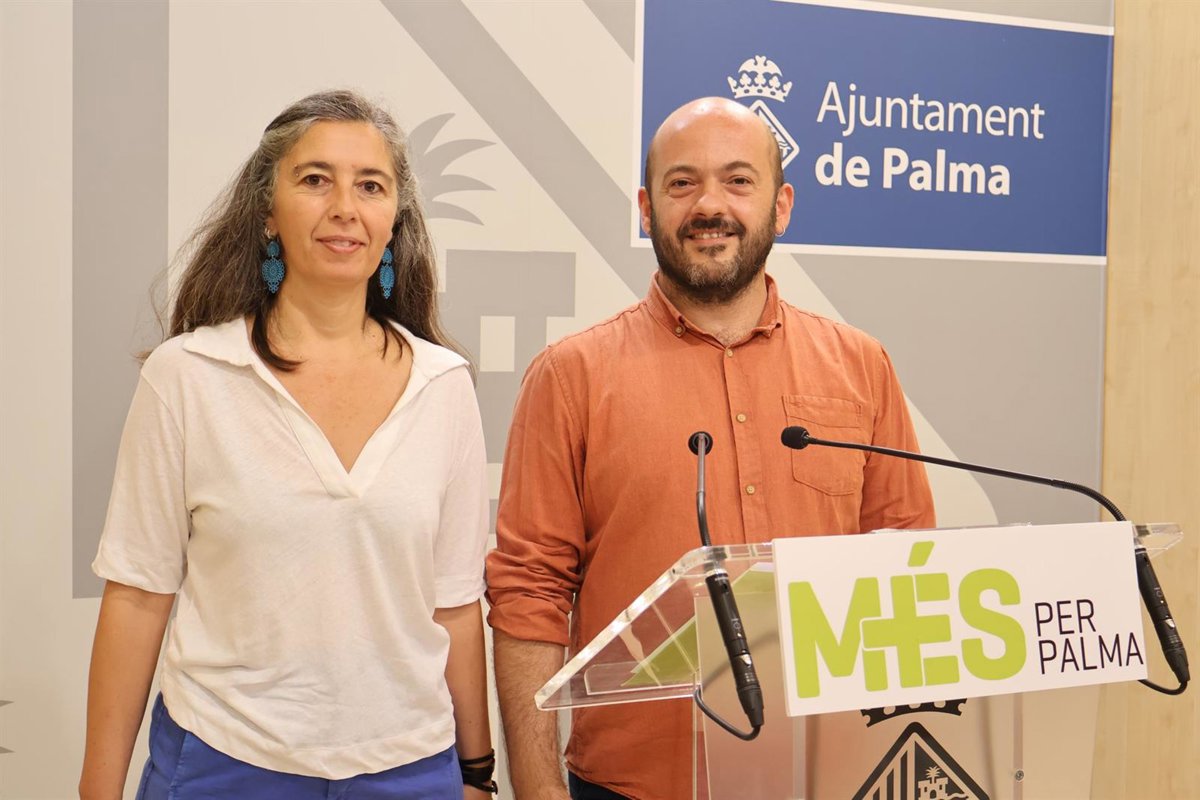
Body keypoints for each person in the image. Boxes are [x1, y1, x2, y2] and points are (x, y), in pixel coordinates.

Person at [486, 97, 936, 800]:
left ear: (781, 206)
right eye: (682, 183)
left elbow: (908, 571)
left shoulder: (861, 365)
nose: (709, 205)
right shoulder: (570, 376)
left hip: (829, 775)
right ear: (646, 209)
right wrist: (540, 790)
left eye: (738, 180)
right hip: (633, 785)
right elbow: (529, 594)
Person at [79, 90, 495, 799]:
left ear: (394, 220)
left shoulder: (444, 385)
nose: (345, 207)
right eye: (315, 179)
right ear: (268, 214)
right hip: (221, 765)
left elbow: (454, 606)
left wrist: (477, 774)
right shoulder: (189, 376)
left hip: (411, 770)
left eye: (371, 186)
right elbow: (138, 597)